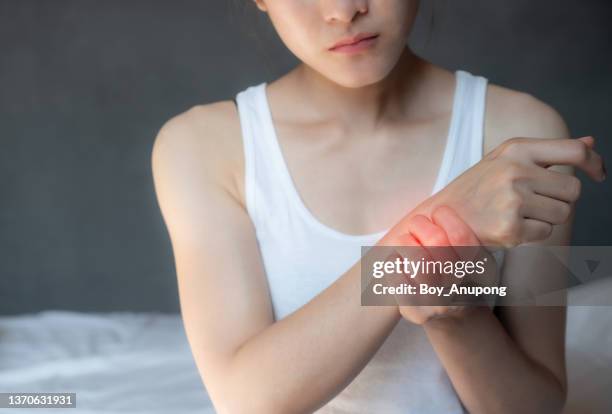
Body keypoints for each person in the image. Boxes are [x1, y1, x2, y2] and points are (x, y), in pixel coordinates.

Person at [151, 1, 606, 413]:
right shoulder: (204, 147)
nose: (344, 10)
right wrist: (438, 224)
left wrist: (456, 317)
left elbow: (537, 407)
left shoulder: (519, 131)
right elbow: (246, 401)